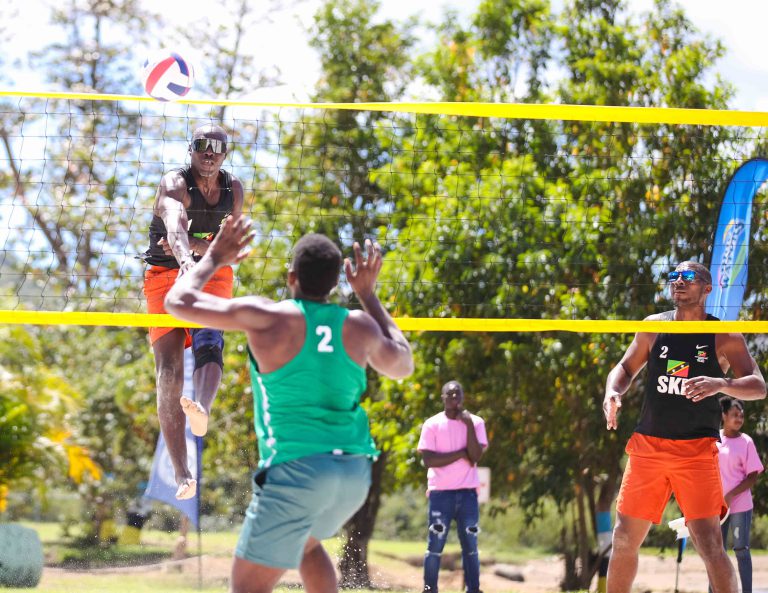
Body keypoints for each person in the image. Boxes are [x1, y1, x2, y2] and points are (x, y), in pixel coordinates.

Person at [164, 215, 414, 593]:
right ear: (336, 282)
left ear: (292, 276)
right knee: (307, 548)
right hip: (352, 475)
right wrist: (369, 295)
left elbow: (177, 301)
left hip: (297, 472)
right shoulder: (359, 325)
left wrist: (214, 256)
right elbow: (403, 364)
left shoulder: (270, 318)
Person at [603, 261, 766, 593]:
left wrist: (720, 383)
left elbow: (759, 386)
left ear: (707, 289)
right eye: (674, 276)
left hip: (696, 451)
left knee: (708, 543)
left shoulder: (722, 333)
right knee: (622, 540)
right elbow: (624, 367)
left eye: (688, 277)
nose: (678, 281)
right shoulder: (654, 325)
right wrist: (613, 392)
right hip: (648, 447)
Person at [142, 124, 244, 500]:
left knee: (209, 339)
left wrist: (195, 249)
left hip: (212, 271)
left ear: (225, 154)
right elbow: (174, 223)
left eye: (218, 147)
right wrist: (187, 254)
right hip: (164, 274)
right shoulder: (174, 182)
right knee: (168, 370)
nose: (209, 151)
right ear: (191, 148)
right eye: (202, 144)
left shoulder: (233, 189)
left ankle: (201, 406)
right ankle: (183, 474)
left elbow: (226, 245)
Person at [417, 380, 488, 593]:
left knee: (471, 547)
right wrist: (460, 454)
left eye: (458, 394)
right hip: (441, 494)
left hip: (468, 494)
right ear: (443, 398)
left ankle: (473, 589)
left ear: (463, 397)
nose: (454, 398)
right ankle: (430, 589)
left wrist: (466, 426)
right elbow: (429, 460)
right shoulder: (432, 424)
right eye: (450, 394)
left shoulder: (475, 422)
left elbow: (475, 456)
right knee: (435, 546)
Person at [714, 396, 763, 593]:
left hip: (740, 507)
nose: (739, 418)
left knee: (741, 551)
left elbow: (752, 477)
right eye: (735, 414)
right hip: (717, 507)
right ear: (724, 415)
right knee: (716, 552)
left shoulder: (746, 442)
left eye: (741, 415)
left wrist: (731, 495)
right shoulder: (714, 439)